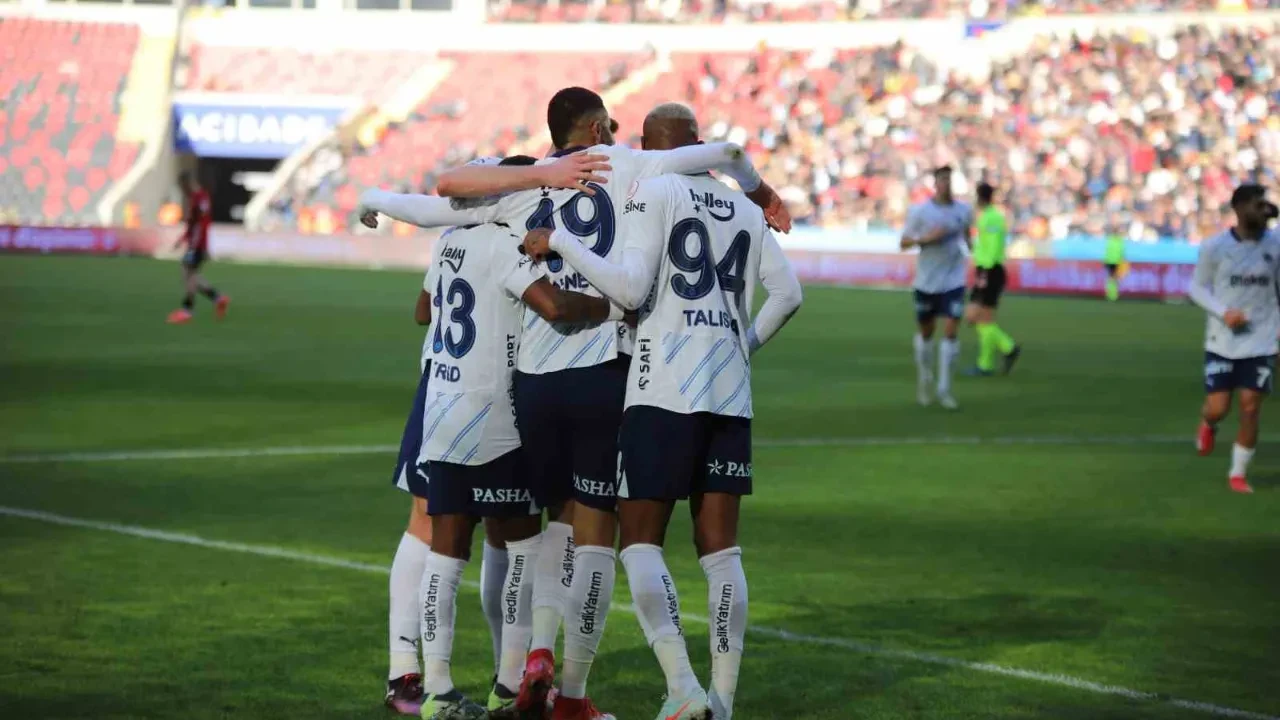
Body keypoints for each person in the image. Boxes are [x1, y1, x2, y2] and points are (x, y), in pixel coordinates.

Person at [421, 87, 789, 720]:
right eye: (612, 126)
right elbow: (722, 186)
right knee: (604, 536)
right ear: (597, 129)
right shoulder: (629, 168)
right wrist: (760, 193)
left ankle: (527, 660)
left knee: (541, 533)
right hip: (611, 370)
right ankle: (580, 694)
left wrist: (541, 174)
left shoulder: (523, 187)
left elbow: (438, 189)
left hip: (533, 378)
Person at [522, 101, 803, 720]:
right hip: (730, 389)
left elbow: (627, 289)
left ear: (651, 147)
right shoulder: (743, 207)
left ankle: (683, 687)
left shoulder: (654, 189)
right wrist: (743, 344)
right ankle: (723, 702)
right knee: (722, 552)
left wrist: (563, 241)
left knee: (641, 543)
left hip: (663, 388)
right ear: (696, 141)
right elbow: (789, 294)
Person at [402, 172, 621, 719]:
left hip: (443, 413)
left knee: (446, 553)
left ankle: (436, 691)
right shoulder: (503, 245)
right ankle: (507, 685)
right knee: (523, 551)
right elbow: (554, 307)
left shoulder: (447, 242)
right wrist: (613, 307)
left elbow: (423, 312)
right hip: (495, 417)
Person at [1189, 183, 1280, 494]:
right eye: (1257, 204)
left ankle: (1237, 474)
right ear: (1238, 208)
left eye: (1265, 203)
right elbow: (1196, 289)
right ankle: (1208, 423)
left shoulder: (1276, 243)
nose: (1263, 209)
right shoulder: (1214, 247)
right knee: (1218, 407)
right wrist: (1222, 311)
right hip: (1222, 340)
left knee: (1251, 406)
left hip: (1262, 340)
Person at [384, 274, 436, 716]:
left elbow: (424, 310)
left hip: (461, 383)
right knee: (426, 519)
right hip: (450, 388)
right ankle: (402, 669)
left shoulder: (450, 234)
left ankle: (514, 676)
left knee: (512, 529)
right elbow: (423, 311)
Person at [900, 165, 972, 409]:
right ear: (935, 184)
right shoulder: (921, 212)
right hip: (926, 281)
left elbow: (968, 238)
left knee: (951, 331)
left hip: (954, 279)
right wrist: (927, 239)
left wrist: (970, 248)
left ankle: (945, 388)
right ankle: (924, 379)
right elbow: (904, 242)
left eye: (950, 180)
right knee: (927, 332)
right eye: (942, 180)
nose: (947, 184)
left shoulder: (964, 210)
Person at [965, 182, 1021, 376]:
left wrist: (984, 271)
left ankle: (1007, 348)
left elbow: (993, 246)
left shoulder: (990, 218)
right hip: (990, 270)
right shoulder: (992, 216)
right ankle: (988, 362)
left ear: (979, 198)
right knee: (985, 319)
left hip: (989, 270)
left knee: (973, 316)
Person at [167, 173, 229, 324]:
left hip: (197, 245)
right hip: (197, 243)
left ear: (187, 183)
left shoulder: (199, 198)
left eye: (182, 187)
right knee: (190, 274)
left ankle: (187, 310)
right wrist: (182, 240)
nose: (183, 191)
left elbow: (201, 224)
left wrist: (196, 245)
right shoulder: (200, 197)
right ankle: (218, 298)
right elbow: (194, 224)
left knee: (188, 274)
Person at [1104, 230, 1125, 302]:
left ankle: (1110, 295)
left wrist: (1105, 260)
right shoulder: (1120, 241)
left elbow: (1107, 251)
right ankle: (1113, 295)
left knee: (1111, 278)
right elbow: (1122, 252)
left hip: (1110, 261)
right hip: (1116, 261)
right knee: (1115, 278)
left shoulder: (1110, 240)